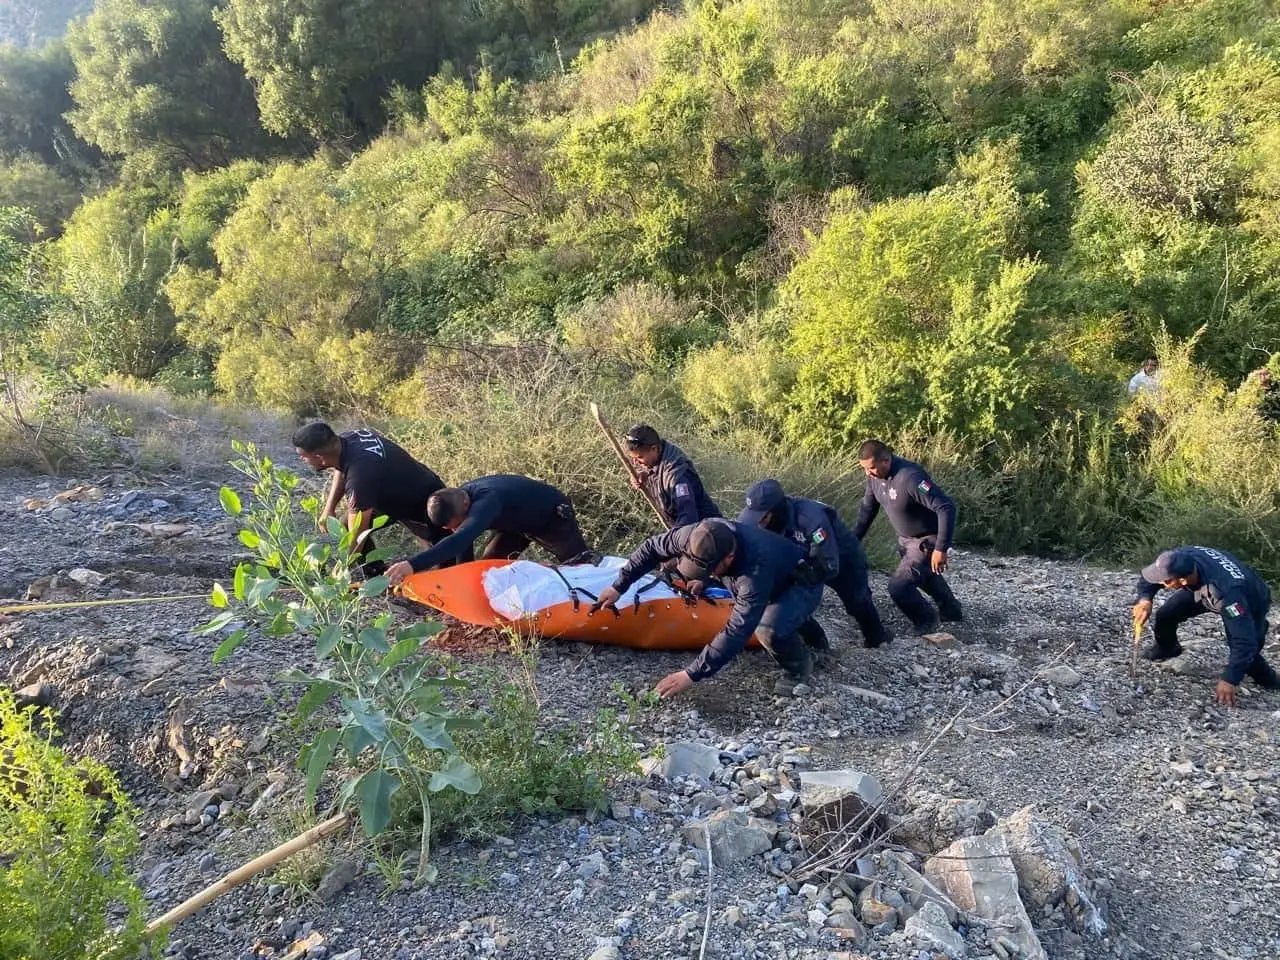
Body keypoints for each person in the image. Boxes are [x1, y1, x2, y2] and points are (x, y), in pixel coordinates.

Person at [590, 518, 825, 698]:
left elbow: (738, 630)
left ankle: (799, 666)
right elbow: (651, 548)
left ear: (729, 558)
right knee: (777, 613)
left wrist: (692, 673)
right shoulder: (695, 535)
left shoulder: (753, 573)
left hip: (803, 581)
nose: (708, 575)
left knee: (767, 627)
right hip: (776, 575)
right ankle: (817, 641)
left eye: (710, 570)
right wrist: (618, 587)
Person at [738, 478, 892, 648]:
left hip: (840, 557)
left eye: (763, 517)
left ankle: (877, 638)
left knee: (857, 601)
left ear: (776, 509)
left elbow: (828, 562)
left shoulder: (811, 517)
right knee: (788, 601)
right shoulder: (755, 519)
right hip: (803, 557)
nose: (758, 522)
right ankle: (817, 644)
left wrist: (807, 573)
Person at [292, 422, 459, 575]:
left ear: (320, 457)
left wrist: (344, 567)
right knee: (344, 525)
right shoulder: (347, 440)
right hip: (388, 494)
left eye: (303, 456)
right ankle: (376, 574)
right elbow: (341, 467)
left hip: (425, 501)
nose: (302, 460)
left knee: (444, 563)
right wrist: (330, 507)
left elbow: (359, 531)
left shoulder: (360, 476)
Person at [1133, 546, 1280, 707]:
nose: (1160, 583)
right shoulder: (1180, 557)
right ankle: (1167, 648)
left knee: (1247, 652)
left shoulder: (1228, 593)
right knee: (1166, 615)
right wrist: (1145, 599)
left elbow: (1245, 642)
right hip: (1203, 588)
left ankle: (1271, 681)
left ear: (1182, 580)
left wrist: (1230, 679)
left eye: (1166, 581)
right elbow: (1151, 577)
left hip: (1249, 601)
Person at [385, 475, 593, 584]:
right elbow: (462, 540)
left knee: (582, 567)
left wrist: (412, 565)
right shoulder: (458, 498)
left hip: (551, 518)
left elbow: (461, 539)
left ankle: (611, 594)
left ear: (467, 507)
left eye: (456, 524)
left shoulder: (485, 502)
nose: (454, 530)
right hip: (515, 525)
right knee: (487, 569)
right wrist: (459, 581)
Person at [853, 439, 962, 635]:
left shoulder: (910, 477)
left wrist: (941, 548)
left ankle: (927, 621)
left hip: (926, 541)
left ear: (886, 460)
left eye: (871, 468)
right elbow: (867, 511)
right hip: (905, 540)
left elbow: (946, 507)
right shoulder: (874, 478)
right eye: (865, 469)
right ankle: (951, 610)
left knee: (899, 587)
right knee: (925, 575)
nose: (867, 473)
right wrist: (853, 541)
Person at [623, 424, 721, 527]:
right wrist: (645, 475)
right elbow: (657, 472)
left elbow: (688, 517)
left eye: (639, 457)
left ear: (654, 448)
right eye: (633, 458)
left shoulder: (677, 477)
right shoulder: (659, 456)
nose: (635, 463)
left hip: (709, 533)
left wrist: (673, 540)